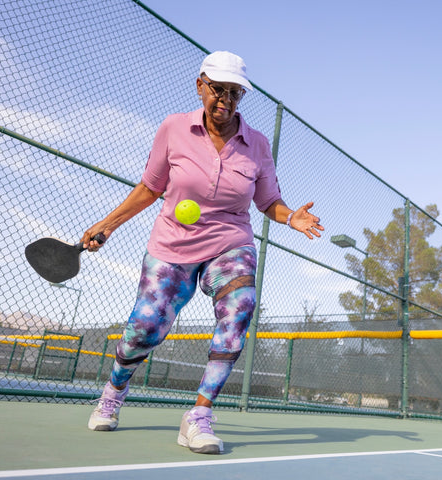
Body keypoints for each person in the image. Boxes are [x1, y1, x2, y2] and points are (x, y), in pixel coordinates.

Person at [83, 50, 324, 454]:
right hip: (171, 243)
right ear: (200, 86)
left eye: (235, 93)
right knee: (145, 328)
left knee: (240, 308)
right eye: (218, 89)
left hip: (231, 242)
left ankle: (198, 416)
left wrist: (289, 218)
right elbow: (150, 188)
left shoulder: (258, 144)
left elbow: (269, 201)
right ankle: (114, 391)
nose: (225, 100)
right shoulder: (173, 129)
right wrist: (107, 224)